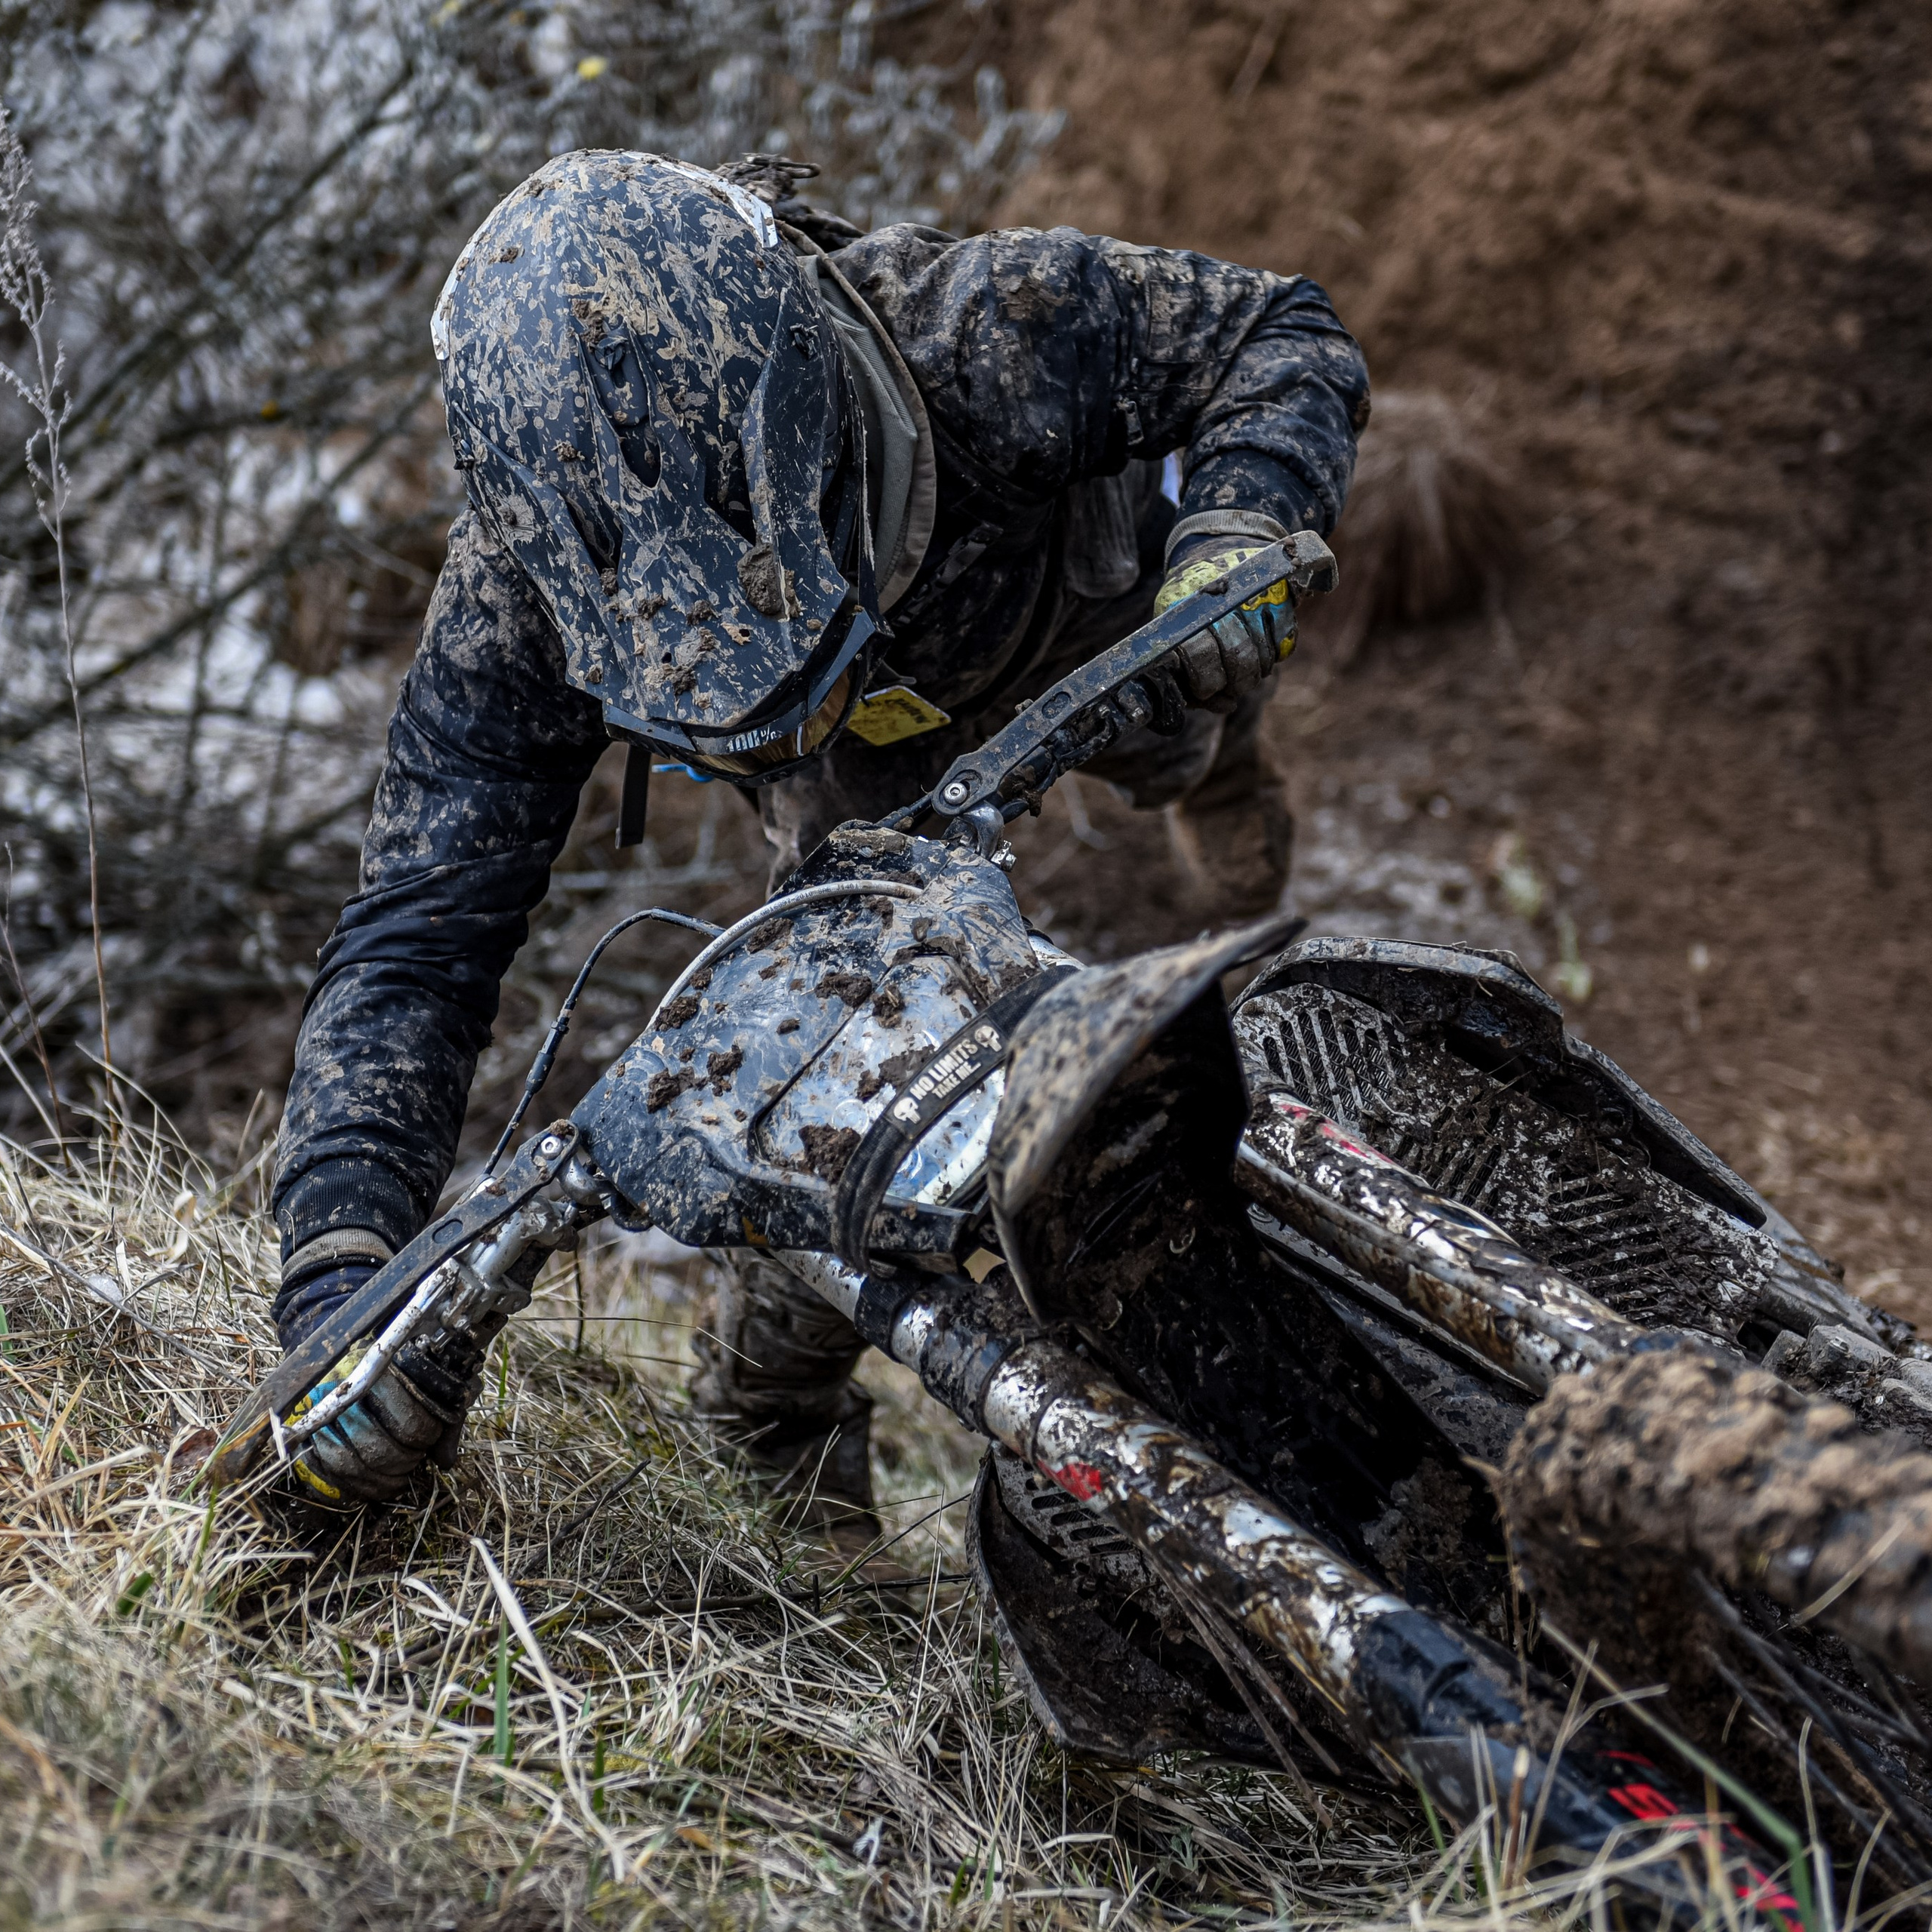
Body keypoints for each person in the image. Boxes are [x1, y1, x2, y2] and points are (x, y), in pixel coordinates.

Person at [269, 151, 1369, 1509]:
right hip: (853, 779)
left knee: (1192, 730)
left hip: (1089, 628)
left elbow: (1279, 329)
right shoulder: (519, 604)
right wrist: (339, 1272)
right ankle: (775, 1435)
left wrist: (1242, 524)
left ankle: (1220, 793)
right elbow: (413, 942)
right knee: (823, 1086)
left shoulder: (988, 328)